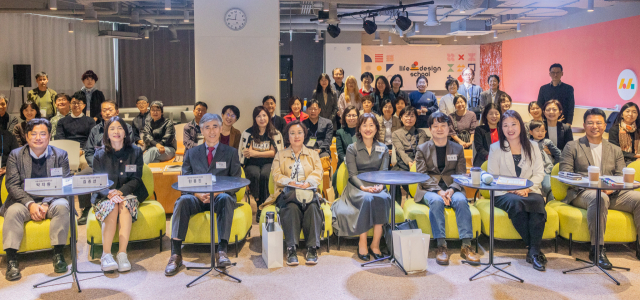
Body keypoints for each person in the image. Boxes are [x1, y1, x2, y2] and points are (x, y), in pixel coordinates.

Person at [560, 108, 640, 266]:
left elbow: (620, 175)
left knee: (638, 198)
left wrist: (612, 188)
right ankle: (597, 249)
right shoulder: (572, 146)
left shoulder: (615, 149)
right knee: (599, 197)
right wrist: (593, 186)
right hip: (583, 192)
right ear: (584, 125)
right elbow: (565, 174)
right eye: (590, 123)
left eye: (598, 123)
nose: (594, 126)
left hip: (612, 192)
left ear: (605, 126)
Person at [165, 113, 241, 276]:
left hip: (220, 197)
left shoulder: (231, 152)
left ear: (220, 129)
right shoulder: (191, 153)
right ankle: (176, 255)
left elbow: (236, 181)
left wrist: (217, 192)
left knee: (227, 198)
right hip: (197, 197)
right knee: (182, 201)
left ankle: (222, 252)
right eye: (207, 127)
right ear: (201, 130)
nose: (211, 131)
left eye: (215, 126)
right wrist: (197, 194)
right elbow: (184, 180)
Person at [1, 118, 70, 281]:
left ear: (49, 136)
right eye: (34, 134)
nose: (38, 137)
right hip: (23, 201)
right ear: (26, 136)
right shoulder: (15, 155)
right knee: (12, 212)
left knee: (63, 206)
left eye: (42, 134)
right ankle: (11, 258)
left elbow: (64, 182)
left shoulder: (60, 155)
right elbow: (12, 184)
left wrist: (45, 203)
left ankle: (58, 253)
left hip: (52, 200)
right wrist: (30, 204)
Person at [415, 112, 480, 265]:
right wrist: (439, 191)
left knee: (462, 201)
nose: (439, 129)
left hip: (453, 188)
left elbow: (460, 174)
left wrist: (450, 190)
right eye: (435, 126)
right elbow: (422, 175)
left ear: (448, 128)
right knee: (436, 201)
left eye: (443, 125)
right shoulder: (422, 149)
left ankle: (466, 246)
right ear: (430, 129)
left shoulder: (457, 149)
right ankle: (441, 246)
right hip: (429, 189)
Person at [488, 110, 547, 271]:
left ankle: (533, 251)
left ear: (521, 125)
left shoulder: (533, 146)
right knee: (516, 203)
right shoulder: (496, 148)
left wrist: (527, 188)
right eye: (505, 125)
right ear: (501, 128)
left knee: (537, 202)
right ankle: (534, 248)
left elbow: (539, 173)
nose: (510, 128)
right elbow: (493, 176)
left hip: (529, 190)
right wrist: (514, 189)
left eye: (513, 124)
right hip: (504, 193)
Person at [261, 120, 324, 265]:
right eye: (292, 133)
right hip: (288, 192)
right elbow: (276, 175)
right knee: (291, 208)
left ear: (304, 135)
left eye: (300, 133)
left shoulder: (313, 154)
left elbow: (318, 173)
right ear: (287, 136)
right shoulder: (280, 155)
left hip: (308, 191)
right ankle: (291, 248)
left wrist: (307, 183)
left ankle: (312, 248)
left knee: (313, 207)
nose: (296, 136)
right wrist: (291, 182)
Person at [331, 113, 392, 261]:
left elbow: (383, 173)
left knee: (383, 198)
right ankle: (362, 242)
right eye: (364, 125)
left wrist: (380, 186)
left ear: (376, 128)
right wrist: (364, 188)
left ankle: (375, 244)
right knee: (367, 198)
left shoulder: (383, 148)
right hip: (357, 186)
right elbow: (352, 175)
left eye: (371, 125)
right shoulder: (352, 148)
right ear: (359, 128)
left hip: (377, 184)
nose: (368, 128)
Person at [92, 116, 147, 272]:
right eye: (112, 129)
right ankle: (106, 255)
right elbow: (97, 181)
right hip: (105, 194)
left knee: (123, 203)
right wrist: (110, 193)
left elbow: (136, 179)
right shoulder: (99, 154)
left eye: (120, 128)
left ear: (125, 132)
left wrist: (121, 192)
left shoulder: (135, 151)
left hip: (128, 193)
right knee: (112, 206)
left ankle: (122, 254)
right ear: (107, 133)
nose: (116, 132)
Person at [82, 100, 134, 225]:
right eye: (104, 110)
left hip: (120, 165)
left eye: (110, 109)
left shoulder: (127, 128)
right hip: (98, 165)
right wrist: (96, 164)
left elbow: (130, 149)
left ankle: (116, 197)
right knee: (81, 176)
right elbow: (88, 151)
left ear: (117, 111)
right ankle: (86, 208)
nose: (107, 112)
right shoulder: (95, 130)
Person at [239, 106, 284, 221]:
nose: (262, 118)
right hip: (251, 164)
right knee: (254, 175)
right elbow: (244, 152)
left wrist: (254, 153)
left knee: (265, 174)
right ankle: (259, 202)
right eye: (258, 116)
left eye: (264, 115)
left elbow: (275, 154)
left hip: (270, 163)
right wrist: (264, 153)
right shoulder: (247, 133)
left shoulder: (275, 133)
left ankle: (264, 205)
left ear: (268, 117)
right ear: (255, 118)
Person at [392, 106, 429, 202]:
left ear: (416, 118)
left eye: (412, 116)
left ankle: (416, 202)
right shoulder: (396, 133)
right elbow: (400, 151)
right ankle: (396, 206)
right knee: (393, 178)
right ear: (401, 118)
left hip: (418, 161)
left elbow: (421, 150)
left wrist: (415, 162)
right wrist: (409, 162)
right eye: (406, 116)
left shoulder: (421, 132)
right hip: (403, 162)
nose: (409, 119)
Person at [55, 91, 96, 170]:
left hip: (84, 151)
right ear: (70, 104)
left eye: (79, 103)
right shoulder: (62, 121)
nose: (76, 105)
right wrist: (70, 151)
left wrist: (82, 150)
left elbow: (91, 139)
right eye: (74, 103)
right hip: (66, 151)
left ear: (84, 106)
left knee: (85, 163)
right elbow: (60, 138)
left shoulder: (90, 121)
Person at [303, 100, 334, 185]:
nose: (313, 111)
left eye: (315, 109)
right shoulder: (302, 124)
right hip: (307, 151)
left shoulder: (327, 123)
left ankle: (323, 188)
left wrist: (320, 149)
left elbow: (328, 140)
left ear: (319, 110)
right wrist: (309, 151)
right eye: (310, 109)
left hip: (322, 151)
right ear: (307, 110)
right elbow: (302, 140)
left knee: (322, 163)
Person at [528, 120, 561, 200]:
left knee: (548, 186)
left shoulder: (547, 142)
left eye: (543, 131)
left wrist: (555, 167)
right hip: (531, 170)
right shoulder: (527, 143)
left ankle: (549, 203)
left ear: (545, 132)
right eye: (537, 131)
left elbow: (558, 153)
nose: (540, 133)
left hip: (546, 169)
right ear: (531, 132)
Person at [332, 106, 360, 196]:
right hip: (344, 164)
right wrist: (349, 161)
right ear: (344, 117)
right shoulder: (340, 132)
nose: (351, 118)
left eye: (354, 115)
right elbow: (340, 152)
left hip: (361, 164)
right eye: (348, 115)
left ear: (358, 117)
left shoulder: (363, 132)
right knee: (337, 177)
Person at [473, 103, 501, 167]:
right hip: (483, 162)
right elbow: (479, 148)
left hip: (501, 163)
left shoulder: (503, 130)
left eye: (496, 114)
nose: (494, 116)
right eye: (491, 114)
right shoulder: (479, 130)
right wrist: (491, 158)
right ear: (486, 115)